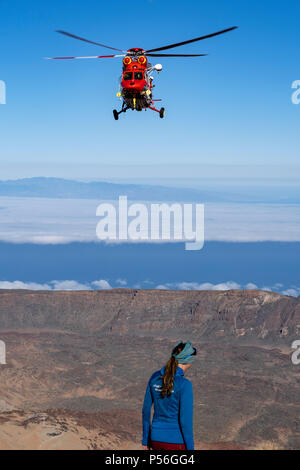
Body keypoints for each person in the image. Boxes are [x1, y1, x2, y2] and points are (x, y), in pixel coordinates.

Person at [142, 341, 196, 450]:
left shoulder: (155, 377)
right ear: (188, 360)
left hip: (155, 439)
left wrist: (145, 439)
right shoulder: (185, 385)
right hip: (176, 441)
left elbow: (146, 410)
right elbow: (185, 421)